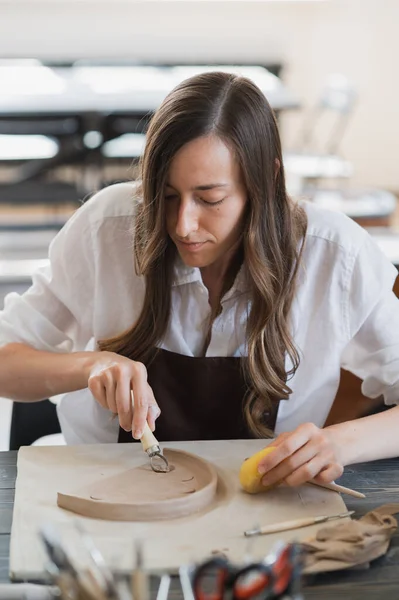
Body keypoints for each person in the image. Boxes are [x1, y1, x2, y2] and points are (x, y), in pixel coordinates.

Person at [1, 71, 399, 490]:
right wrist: (91, 364)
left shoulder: (333, 255)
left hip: (267, 511)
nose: (183, 225)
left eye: (211, 199)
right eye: (167, 195)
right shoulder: (107, 229)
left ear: (265, 181)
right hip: (105, 498)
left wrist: (338, 444)